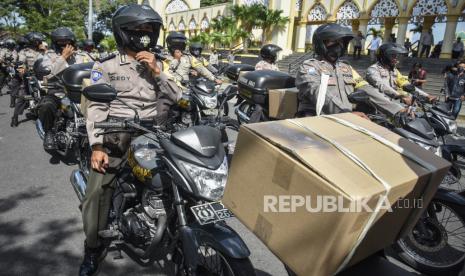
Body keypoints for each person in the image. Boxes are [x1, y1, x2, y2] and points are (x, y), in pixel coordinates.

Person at [79, 4, 181, 276]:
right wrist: (98, 145)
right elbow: (96, 106)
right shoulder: (106, 65)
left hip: (152, 133)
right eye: (138, 31)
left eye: (149, 31)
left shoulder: (160, 64)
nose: (144, 36)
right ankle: (92, 247)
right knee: (97, 192)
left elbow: (177, 97)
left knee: (178, 179)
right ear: (123, 33)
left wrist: (158, 72)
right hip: (115, 132)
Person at [296, 23, 405, 118]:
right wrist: (345, 113)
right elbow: (317, 93)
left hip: (348, 118)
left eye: (341, 42)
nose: (339, 45)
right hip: (316, 118)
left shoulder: (346, 68)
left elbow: (365, 88)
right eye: (333, 41)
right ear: (321, 43)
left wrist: (396, 109)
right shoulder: (310, 67)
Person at [37, 27, 93, 149]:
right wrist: (63, 58)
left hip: (80, 92)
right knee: (46, 106)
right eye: (60, 43)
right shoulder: (50, 56)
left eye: (67, 42)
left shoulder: (83, 55)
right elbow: (48, 73)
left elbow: (95, 68)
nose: (64, 45)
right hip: (58, 91)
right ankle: (49, 133)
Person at [366, 43, 436, 106]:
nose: (396, 59)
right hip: (375, 105)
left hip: (391, 103)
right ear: (384, 56)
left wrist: (427, 96)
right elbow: (382, 86)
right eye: (393, 56)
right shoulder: (373, 70)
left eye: (396, 56)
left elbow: (406, 84)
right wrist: (400, 96)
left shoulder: (394, 71)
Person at [10, 32, 44, 127]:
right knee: (23, 97)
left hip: (42, 76)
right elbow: (20, 63)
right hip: (29, 76)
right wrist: (23, 72)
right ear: (32, 42)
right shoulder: (24, 52)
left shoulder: (43, 51)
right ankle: (15, 117)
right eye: (38, 41)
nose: (40, 42)